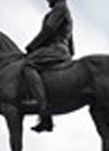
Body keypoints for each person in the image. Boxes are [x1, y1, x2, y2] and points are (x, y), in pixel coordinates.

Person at [22, 0, 74, 132]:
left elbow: (49, 29)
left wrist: (32, 46)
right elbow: (72, 45)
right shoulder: (65, 11)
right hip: (62, 50)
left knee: (27, 65)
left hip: (55, 49)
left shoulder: (59, 8)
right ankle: (45, 119)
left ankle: (40, 103)